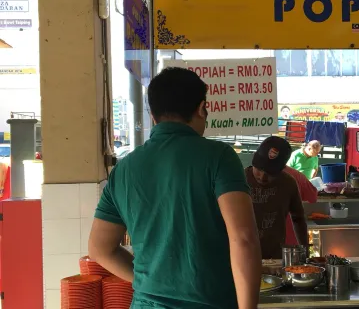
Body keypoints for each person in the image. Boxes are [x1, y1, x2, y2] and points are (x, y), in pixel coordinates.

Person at [88, 67, 262, 309]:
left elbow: (99, 249)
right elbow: (243, 238)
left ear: (152, 114)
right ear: (202, 108)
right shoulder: (219, 157)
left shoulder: (124, 169)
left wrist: (150, 283)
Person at [246, 136, 309, 258]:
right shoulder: (239, 180)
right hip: (241, 257)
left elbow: (299, 219)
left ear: (282, 169)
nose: (262, 177)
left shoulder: (289, 183)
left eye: (270, 173)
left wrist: (304, 251)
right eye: (259, 169)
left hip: (274, 258)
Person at [283, 166, 318, 245]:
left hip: (260, 241)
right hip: (292, 240)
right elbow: (313, 197)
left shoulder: (252, 176)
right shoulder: (297, 175)